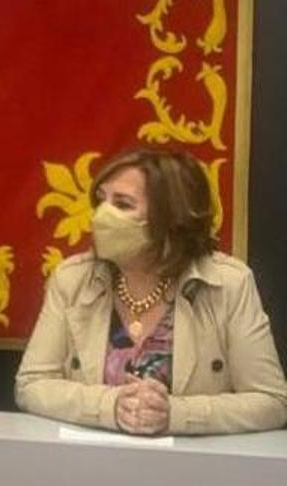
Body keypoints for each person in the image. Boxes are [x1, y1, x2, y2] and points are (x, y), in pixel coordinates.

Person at [16, 148, 287, 435]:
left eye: (122, 204)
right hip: (88, 467)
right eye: (101, 201)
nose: (100, 216)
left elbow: (271, 402)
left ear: (170, 218)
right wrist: (110, 406)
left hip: (195, 472)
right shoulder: (73, 279)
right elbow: (31, 385)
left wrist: (175, 415)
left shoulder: (229, 283)